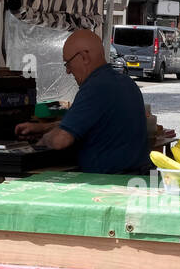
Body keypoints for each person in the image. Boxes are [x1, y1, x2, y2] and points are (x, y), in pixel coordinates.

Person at [14, 29, 149, 174]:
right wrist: (44, 128)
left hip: (110, 184)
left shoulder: (95, 87)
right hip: (135, 179)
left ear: (84, 57)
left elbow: (61, 140)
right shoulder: (126, 83)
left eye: (68, 63)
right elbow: (88, 123)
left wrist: (43, 141)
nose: (68, 71)